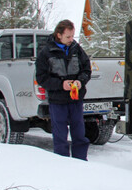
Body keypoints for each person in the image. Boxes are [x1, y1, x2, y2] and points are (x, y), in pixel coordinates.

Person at [35, 20, 92, 160]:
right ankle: (63, 165)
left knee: (79, 133)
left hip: (75, 99)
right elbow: (42, 78)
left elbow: (86, 69)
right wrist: (61, 84)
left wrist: (80, 81)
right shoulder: (46, 53)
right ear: (59, 35)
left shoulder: (76, 49)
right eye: (68, 37)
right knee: (60, 135)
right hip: (57, 100)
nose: (71, 40)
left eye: (72, 36)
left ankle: (81, 162)